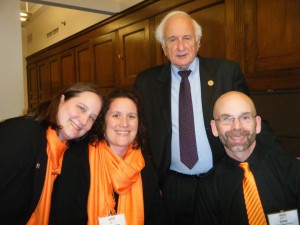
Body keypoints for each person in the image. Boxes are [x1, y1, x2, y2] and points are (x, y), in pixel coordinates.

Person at [134, 10, 285, 225]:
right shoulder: (146, 82)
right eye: (172, 39)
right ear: (163, 47)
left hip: (222, 177)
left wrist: (285, 164)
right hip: (174, 186)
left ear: (198, 42)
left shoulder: (226, 72)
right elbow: (142, 137)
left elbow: (251, 121)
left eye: (187, 38)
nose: (180, 46)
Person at [49, 88, 165, 225]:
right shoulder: (77, 159)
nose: (124, 123)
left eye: (131, 116)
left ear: (139, 123)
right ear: (103, 121)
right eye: (116, 115)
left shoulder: (144, 164)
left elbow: (156, 217)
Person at [0, 83, 103, 225]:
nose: (84, 120)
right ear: (61, 101)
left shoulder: (66, 153)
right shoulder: (24, 133)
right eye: (81, 108)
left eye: (92, 117)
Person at [193, 91, 300, 225]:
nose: (237, 127)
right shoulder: (208, 187)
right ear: (215, 128)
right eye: (227, 118)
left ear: (258, 124)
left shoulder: (293, 171)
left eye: (245, 117)